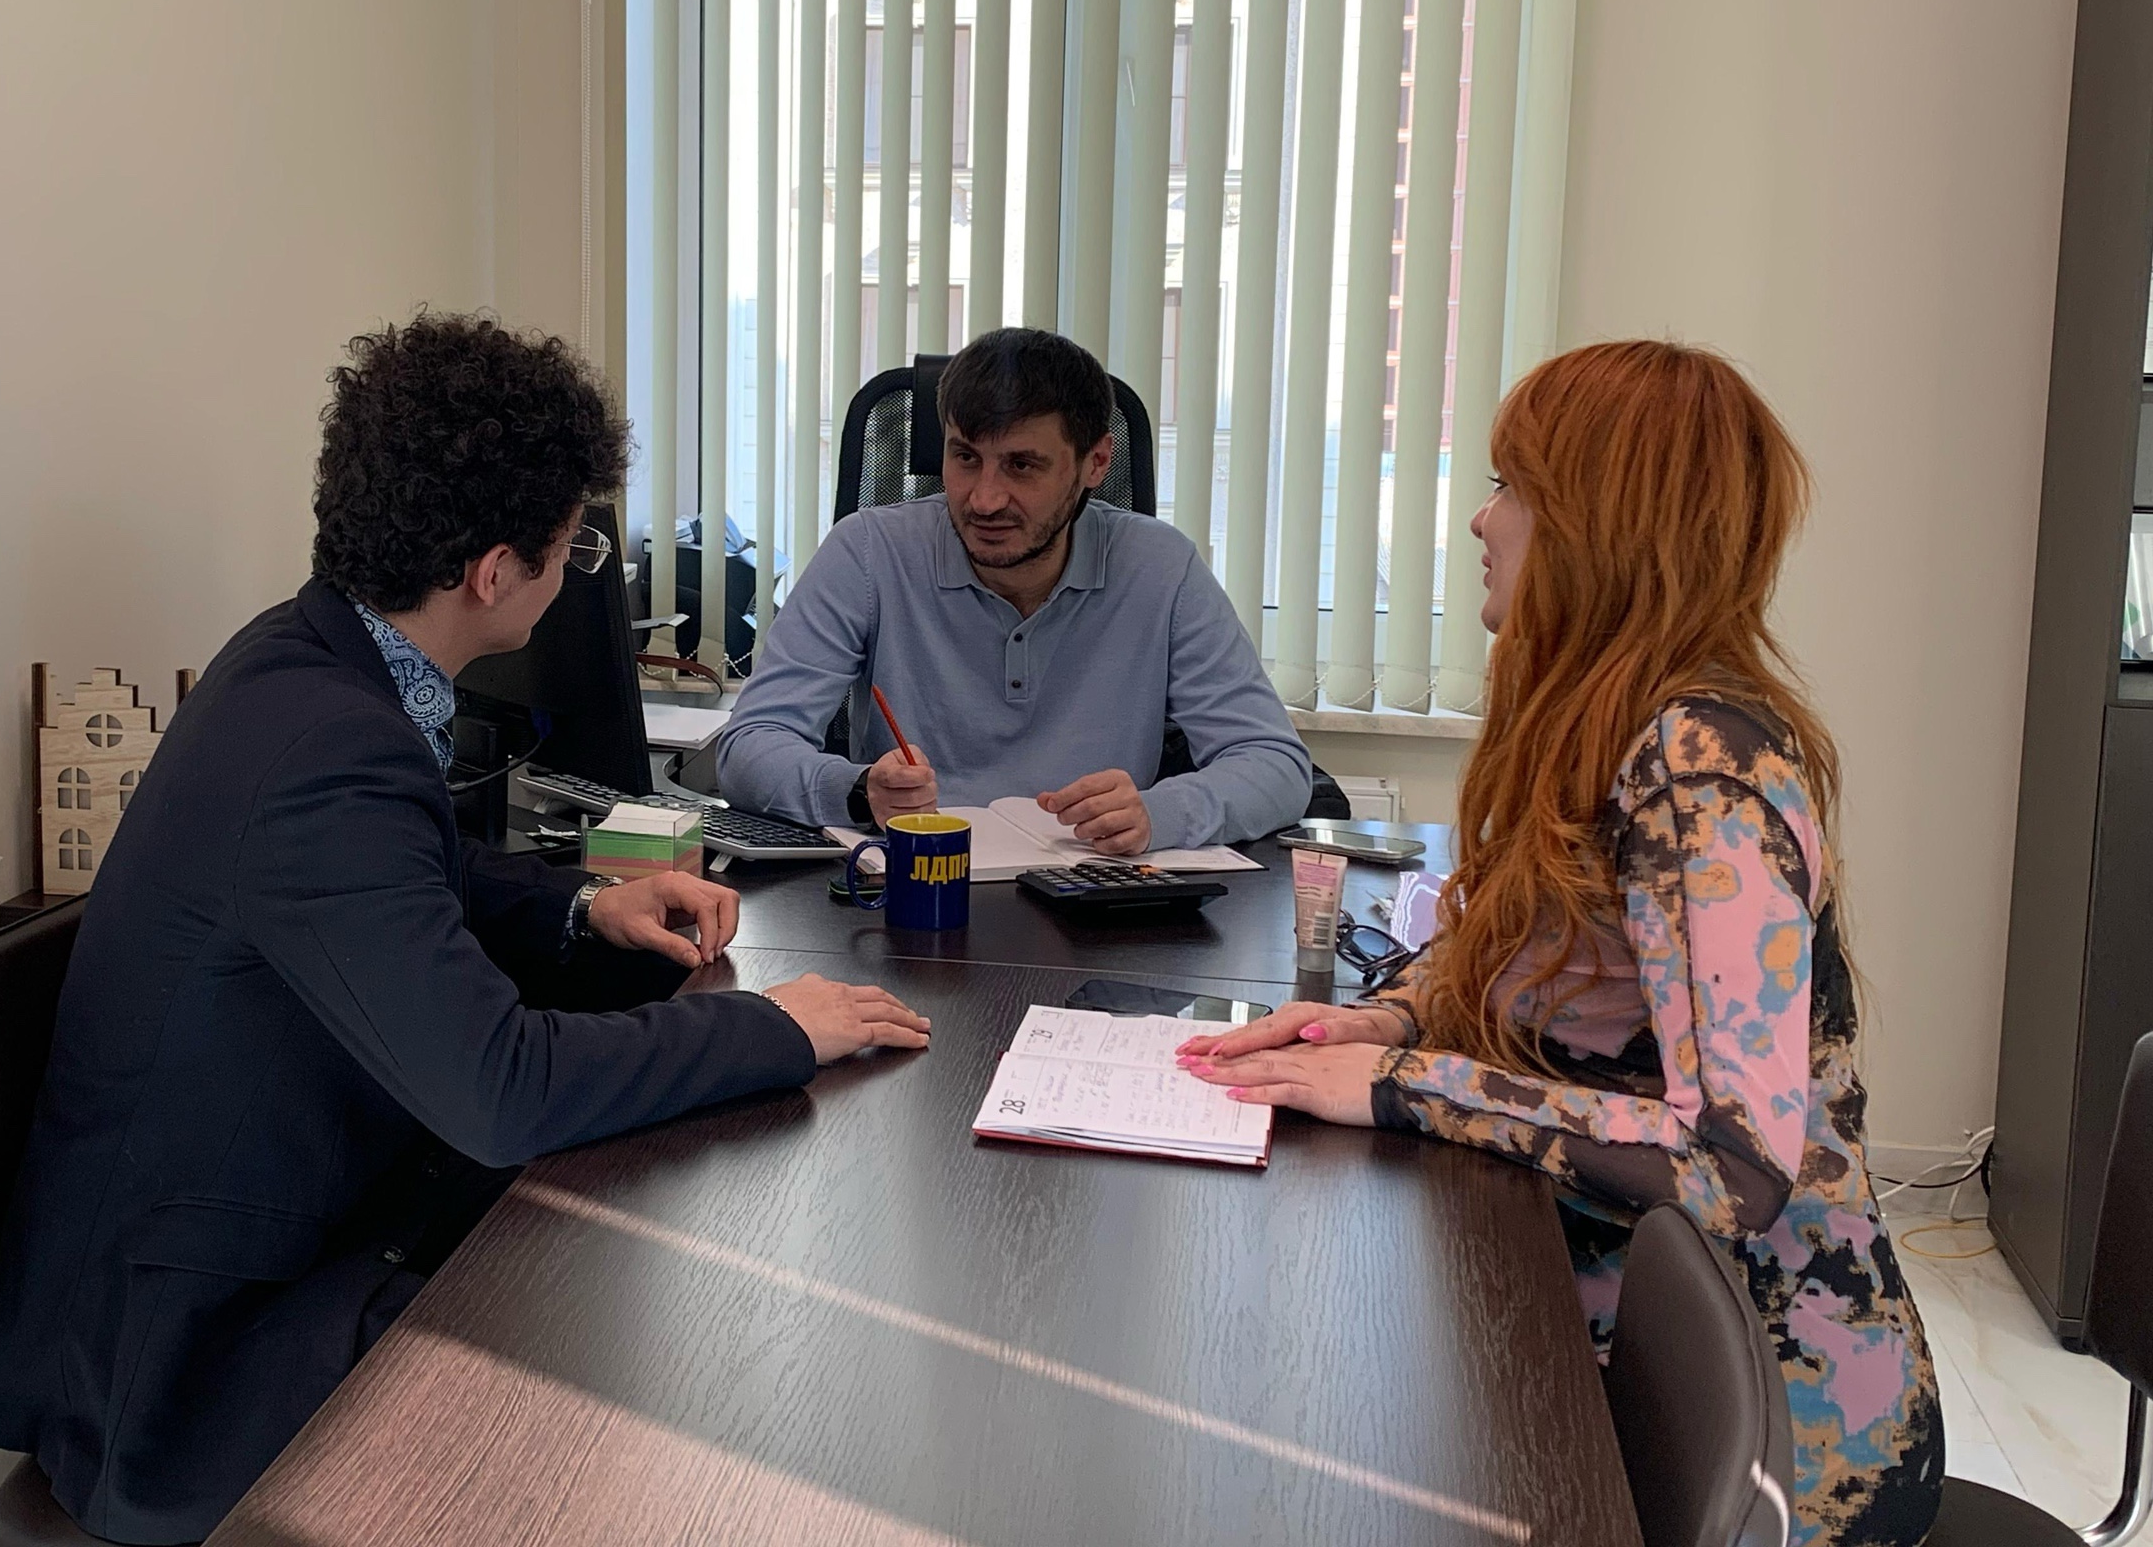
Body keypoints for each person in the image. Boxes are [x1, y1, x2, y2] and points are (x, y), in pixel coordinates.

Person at [0, 314, 928, 1544]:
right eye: (573, 547)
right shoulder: (328, 744)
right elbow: (501, 1088)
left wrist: (587, 904)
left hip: (272, 1247)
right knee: (677, 1422)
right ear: (492, 573)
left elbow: (408, 875)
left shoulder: (300, 657)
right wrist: (775, 1031)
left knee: (630, 1315)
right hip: (184, 1375)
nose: (575, 570)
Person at [1179, 341, 1941, 1546]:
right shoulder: (1608, 726)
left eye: (1510, 487)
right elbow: (1522, 949)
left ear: (1600, 525)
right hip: (1613, 1330)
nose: (1480, 520)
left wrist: (1402, 1084)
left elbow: (1732, 1168)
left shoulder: (1704, 773)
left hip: (1768, 1430)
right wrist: (1381, 1019)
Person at [718, 328, 1314, 853]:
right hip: (915, 886)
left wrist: (1158, 815)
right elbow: (749, 746)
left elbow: (1275, 764)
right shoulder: (868, 552)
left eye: (1021, 465)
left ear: (1095, 463)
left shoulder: (1161, 566)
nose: (984, 499)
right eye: (965, 457)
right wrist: (856, 791)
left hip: (1097, 900)